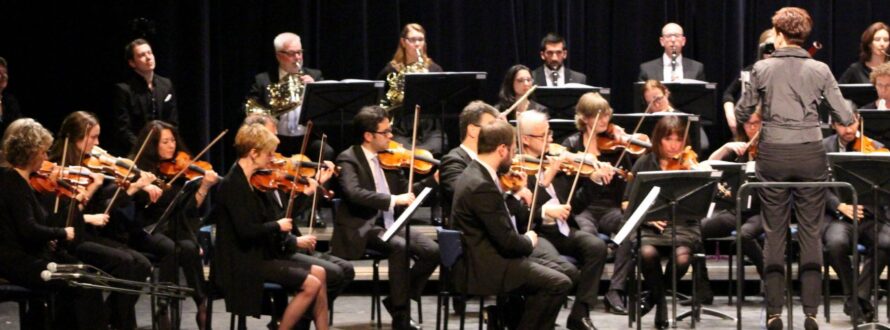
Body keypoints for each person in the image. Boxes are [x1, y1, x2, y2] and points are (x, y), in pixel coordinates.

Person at [735, 7, 854, 329]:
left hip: (773, 153)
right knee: (811, 232)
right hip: (810, 153)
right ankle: (811, 313)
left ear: (779, 33)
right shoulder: (820, 69)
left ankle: (775, 312)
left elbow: (743, 111)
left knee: (774, 233)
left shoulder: (761, 67)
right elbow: (845, 116)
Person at [451, 119, 571, 330]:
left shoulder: (476, 173)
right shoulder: (481, 185)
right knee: (558, 283)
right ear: (501, 149)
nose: (515, 156)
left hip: (488, 256)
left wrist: (514, 196)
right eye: (513, 150)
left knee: (562, 272)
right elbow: (508, 242)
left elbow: (498, 220)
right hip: (488, 265)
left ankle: (507, 317)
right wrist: (529, 240)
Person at [213, 123, 330, 330]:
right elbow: (245, 231)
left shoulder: (255, 180)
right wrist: (277, 225)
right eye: (268, 154)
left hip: (260, 253)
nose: (272, 158)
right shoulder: (232, 184)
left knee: (320, 272)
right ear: (253, 153)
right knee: (311, 284)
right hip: (242, 261)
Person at [332, 105, 439, 330]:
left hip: (391, 224)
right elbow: (354, 193)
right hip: (364, 226)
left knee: (432, 251)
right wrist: (392, 200)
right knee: (398, 246)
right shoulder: (348, 158)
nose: (391, 136)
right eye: (386, 132)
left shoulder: (390, 158)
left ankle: (396, 298)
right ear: (368, 136)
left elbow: (407, 192)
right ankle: (401, 315)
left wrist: (433, 180)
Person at [241, 113, 354, 325]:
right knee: (333, 274)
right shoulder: (254, 180)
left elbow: (290, 213)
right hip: (274, 250)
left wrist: (313, 188)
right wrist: (294, 241)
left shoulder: (273, 173)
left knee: (346, 270)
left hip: (287, 243)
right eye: (271, 137)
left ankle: (294, 320)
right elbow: (268, 225)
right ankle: (293, 322)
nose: (278, 143)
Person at [46, 111, 153, 330]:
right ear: (77, 138)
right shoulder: (57, 167)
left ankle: (107, 317)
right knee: (124, 262)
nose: (97, 143)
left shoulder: (88, 165)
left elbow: (103, 205)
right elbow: (62, 215)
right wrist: (93, 190)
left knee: (141, 263)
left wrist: (129, 187)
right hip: (70, 240)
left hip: (88, 234)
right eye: (93, 137)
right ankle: (114, 322)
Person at [0, 118, 108, 329]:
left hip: (28, 255)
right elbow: (28, 229)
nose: (46, 157)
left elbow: (35, 223)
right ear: (31, 153)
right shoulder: (12, 183)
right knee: (83, 284)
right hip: (14, 261)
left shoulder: (19, 180)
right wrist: (61, 232)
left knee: (89, 276)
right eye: (43, 152)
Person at [517, 110, 609, 330]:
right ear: (525, 139)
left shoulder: (556, 161)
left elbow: (574, 206)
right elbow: (524, 212)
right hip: (537, 232)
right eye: (543, 136)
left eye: (550, 134)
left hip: (563, 230)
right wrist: (546, 180)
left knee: (596, 246)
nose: (550, 140)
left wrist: (593, 181)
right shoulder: (518, 168)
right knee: (564, 271)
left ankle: (580, 313)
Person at [128, 120, 218, 328]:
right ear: (152, 144)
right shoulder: (139, 170)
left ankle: (201, 303)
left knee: (189, 247)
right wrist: (144, 186)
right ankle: (163, 304)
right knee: (170, 248)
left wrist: (204, 186)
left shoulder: (179, 171)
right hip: (147, 228)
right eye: (165, 142)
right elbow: (137, 207)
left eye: (173, 141)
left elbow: (189, 210)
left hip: (175, 227)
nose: (172, 146)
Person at [626, 115, 708, 329]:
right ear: (658, 139)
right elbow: (627, 203)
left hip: (683, 226)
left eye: (679, 140)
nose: (674, 145)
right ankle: (661, 304)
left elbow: (701, 204)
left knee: (682, 259)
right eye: (668, 139)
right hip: (651, 227)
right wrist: (649, 219)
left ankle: (653, 299)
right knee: (646, 253)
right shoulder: (645, 162)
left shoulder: (689, 163)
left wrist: (695, 171)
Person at [561, 92, 635, 314]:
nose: (604, 121)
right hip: (583, 209)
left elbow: (630, 177)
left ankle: (615, 291)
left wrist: (625, 196)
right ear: (584, 118)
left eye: (607, 116)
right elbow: (566, 188)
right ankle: (587, 294)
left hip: (609, 208)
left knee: (629, 230)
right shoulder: (571, 145)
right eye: (598, 116)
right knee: (591, 240)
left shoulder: (616, 144)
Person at [820, 109, 890, 322]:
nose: (848, 129)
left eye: (852, 123)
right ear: (834, 125)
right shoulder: (822, 150)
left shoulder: (875, 149)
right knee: (835, 244)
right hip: (838, 217)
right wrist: (840, 205)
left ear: (859, 121)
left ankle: (857, 298)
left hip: (870, 216)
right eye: (842, 124)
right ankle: (855, 297)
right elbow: (818, 186)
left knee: (887, 242)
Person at [245, 32, 334, 161]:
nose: (298, 57)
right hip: (276, 138)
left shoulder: (315, 76)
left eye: (300, 52)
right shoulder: (263, 80)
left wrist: (315, 89)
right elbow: (249, 108)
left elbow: (326, 107)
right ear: (279, 55)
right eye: (292, 53)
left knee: (326, 152)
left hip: (306, 138)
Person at [377, 23, 445, 154]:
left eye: (420, 39)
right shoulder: (391, 70)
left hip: (428, 129)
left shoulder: (434, 69)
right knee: (401, 150)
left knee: (436, 147)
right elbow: (380, 102)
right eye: (412, 40)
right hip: (399, 128)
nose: (417, 44)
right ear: (403, 42)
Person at [113, 38, 178, 155]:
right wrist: (145, 149)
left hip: (164, 151)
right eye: (142, 55)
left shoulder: (166, 84)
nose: (148, 57)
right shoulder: (124, 89)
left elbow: (172, 122)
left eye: (150, 53)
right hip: (136, 152)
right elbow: (123, 129)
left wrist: (166, 145)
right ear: (132, 63)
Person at [440, 101, 500, 225]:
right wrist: (504, 189)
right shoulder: (453, 161)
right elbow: (466, 197)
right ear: (472, 130)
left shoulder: (494, 161)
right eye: (490, 127)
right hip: (471, 236)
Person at [722, 29, 776, 135]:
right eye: (768, 49)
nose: (771, 52)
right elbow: (728, 93)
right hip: (750, 126)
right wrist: (730, 115)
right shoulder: (750, 70)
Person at [641, 80, 710, 151]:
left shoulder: (686, 118)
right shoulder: (642, 122)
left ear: (666, 93)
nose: (657, 105)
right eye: (650, 102)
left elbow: (704, 144)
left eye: (659, 99)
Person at [638, 23, 706, 82]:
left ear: (683, 41)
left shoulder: (697, 68)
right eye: (668, 36)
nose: (673, 40)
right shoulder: (647, 69)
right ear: (662, 41)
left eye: (677, 36)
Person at [0, 57, 23, 139]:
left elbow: (20, 128)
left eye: (5, 72)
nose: (4, 76)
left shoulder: (10, 101)